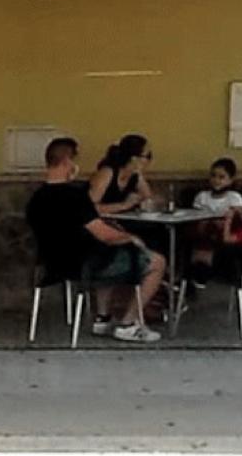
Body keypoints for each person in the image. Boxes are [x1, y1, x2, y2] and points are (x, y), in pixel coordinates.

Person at [33, 138, 165, 343]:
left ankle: (103, 319)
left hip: (53, 264)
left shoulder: (36, 200)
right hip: (86, 265)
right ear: (68, 162)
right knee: (156, 261)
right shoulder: (75, 197)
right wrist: (131, 238)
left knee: (108, 252)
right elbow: (105, 234)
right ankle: (128, 323)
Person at [189, 158, 242, 285]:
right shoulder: (202, 197)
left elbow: (239, 220)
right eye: (213, 176)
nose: (216, 180)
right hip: (204, 233)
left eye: (221, 177)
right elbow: (195, 217)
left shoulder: (234, 198)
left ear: (230, 180)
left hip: (225, 236)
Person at [88, 134, 157, 216]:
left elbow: (149, 198)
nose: (149, 161)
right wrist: (124, 205)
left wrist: (140, 200)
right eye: (148, 156)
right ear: (134, 158)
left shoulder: (135, 175)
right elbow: (88, 208)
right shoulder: (107, 173)